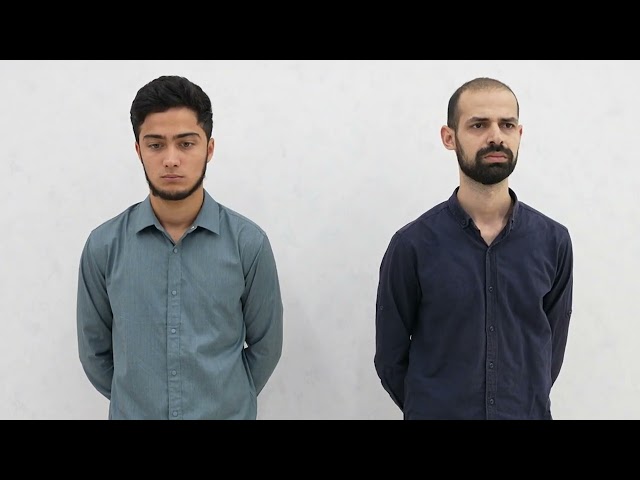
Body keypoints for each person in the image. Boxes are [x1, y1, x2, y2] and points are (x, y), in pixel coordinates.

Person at [76, 75, 284, 420]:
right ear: (139, 150)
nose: (171, 159)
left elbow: (267, 347)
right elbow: (94, 353)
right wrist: (138, 400)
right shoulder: (103, 246)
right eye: (156, 145)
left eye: (186, 144)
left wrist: (228, 399)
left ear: (209, 149)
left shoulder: (248, 244)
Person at [374, 77, 573, 420]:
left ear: (519, 134)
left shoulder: (553, 241)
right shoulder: (412, 245)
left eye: (506, 124)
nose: (496, 136)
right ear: (449, 137)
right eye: (478, 125)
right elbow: (390, 359)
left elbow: (549, 355)